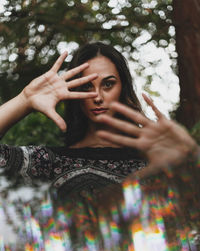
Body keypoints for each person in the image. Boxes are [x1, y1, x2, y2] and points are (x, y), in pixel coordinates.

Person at [0, 42, 198, 194]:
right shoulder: (50, 162)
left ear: (123, 88)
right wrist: (24, 100)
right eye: (87, 86)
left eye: (108, 84)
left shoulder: (155, 160)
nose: (97, 97)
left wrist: (191, 160)